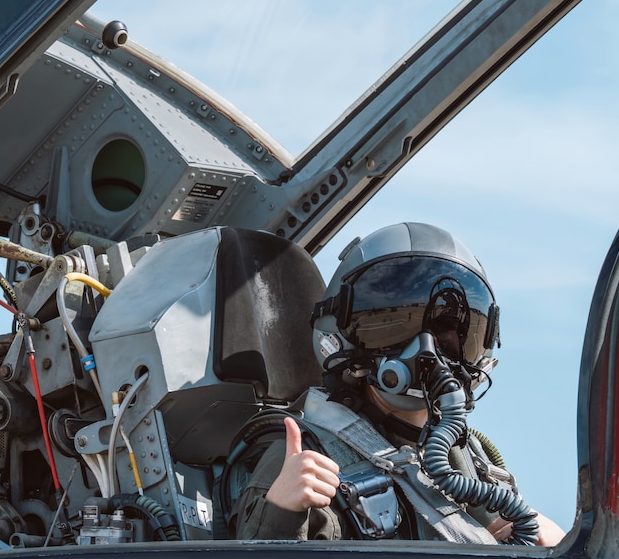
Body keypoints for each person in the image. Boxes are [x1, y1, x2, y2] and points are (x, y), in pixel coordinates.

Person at [228, 222, 564, 545]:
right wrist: (281, 512)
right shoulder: (308, 458)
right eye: (395, 330)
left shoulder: (471, 462)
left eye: (449, 338)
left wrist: (553, 547)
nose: (426, 353)